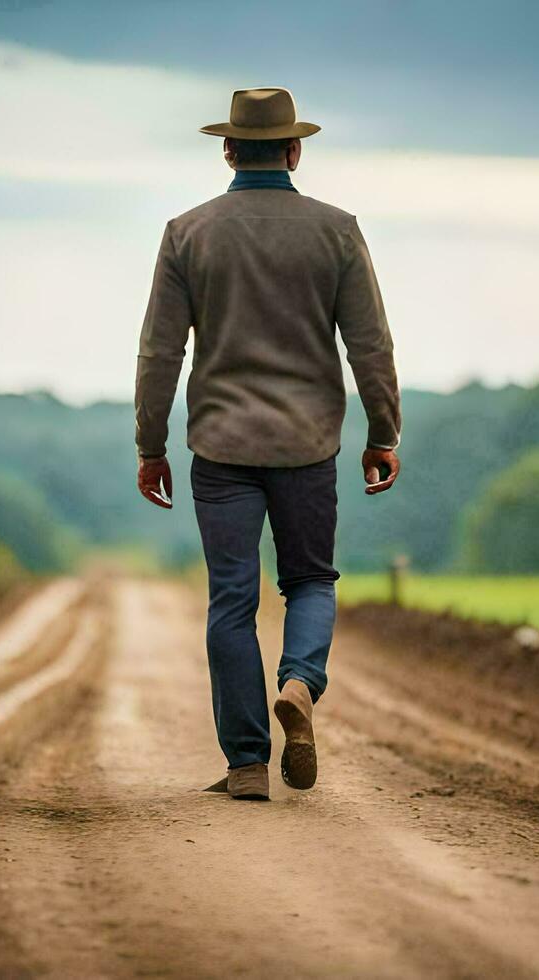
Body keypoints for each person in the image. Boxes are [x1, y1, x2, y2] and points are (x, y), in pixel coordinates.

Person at [133, 87, 402, 801]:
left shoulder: (187, 232)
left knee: (231, 599)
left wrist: (149, 444)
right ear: (294, 150)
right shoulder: (336, 230)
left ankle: (247, 764)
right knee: (310, 580)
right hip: (307, 445)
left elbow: (160, 351)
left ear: (227, 149)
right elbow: (369, 344)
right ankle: (300, 684)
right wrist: (382, 432)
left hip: (220, 448)